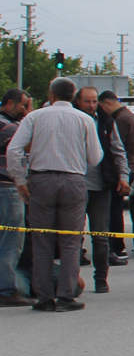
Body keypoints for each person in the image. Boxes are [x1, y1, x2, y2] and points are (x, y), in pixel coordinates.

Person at [6, 79, 102, 312]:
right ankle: (66, 296)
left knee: (42, 240)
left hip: (41, 180)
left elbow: (13, 150)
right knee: (70, 241)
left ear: (51, 93)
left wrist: (20, 180)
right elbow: (95, 158)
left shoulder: (34, 117)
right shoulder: (85, 119)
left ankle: (44, 297)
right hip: (73, 181)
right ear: (74, 96)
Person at [74, 87, 130, 295]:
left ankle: (101, 279)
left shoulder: (107, 122)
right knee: (74, 236)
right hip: (76, 186)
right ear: (78, 102)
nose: (91, 105)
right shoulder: (73, 120)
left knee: (100, 235)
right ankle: (72, 280)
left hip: (101, 186)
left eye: (94, 101)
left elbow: (118, 151)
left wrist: (124, 177)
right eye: (87, 101)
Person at [97, 89, 134, 262]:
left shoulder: (120, 119)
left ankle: (117, 246)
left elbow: (116, 148)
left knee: (113, 210)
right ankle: (117, 246)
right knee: (115, 209)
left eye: (101, 106)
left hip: (122, 168)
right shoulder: (130, 115)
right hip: (130, 166)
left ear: (108, 103)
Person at [0, 89, 35, 306]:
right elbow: (30, 142)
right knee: (11, 241)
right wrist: (30, 115)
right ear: (10, 103)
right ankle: (7, 290)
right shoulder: (6, 126)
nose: (24, 110)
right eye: (23, 105)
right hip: (7, 189)